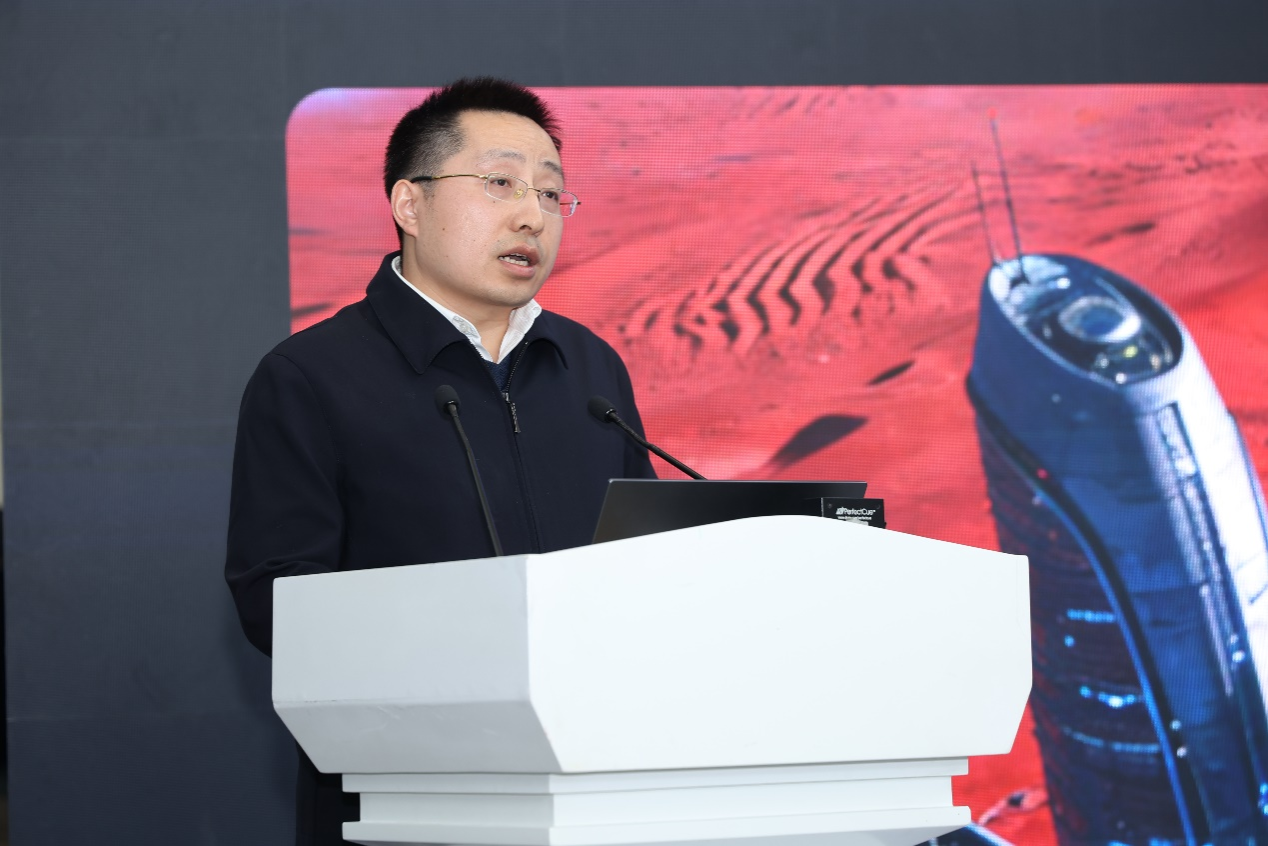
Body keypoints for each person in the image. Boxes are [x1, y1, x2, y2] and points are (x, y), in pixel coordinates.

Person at [225, 77, 657, 846]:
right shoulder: (311, 377)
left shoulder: (591, 370)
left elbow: (643, 569)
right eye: (499, 183)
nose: (532, 215)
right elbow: (279, 607)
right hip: (402, 799)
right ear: (409, 204)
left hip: (593, 795)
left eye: (550, 194)